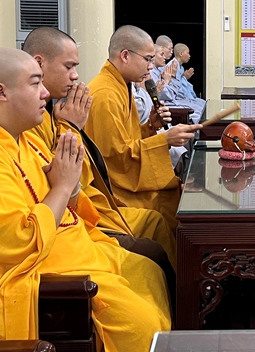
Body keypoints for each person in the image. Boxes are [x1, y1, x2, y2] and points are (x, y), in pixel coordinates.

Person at [0, 48, 169, 350]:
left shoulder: (25, 136)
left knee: (149, 272)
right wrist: (62, 187)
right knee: (141, 321)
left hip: (74, 247)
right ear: (1, 92)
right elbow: (17, 242)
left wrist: (70, 185)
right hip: (44, 269)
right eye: (35, 83)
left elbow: (70, 202)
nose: (45, 93)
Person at [22, 27, 178, 292]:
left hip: (89, 203)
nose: (76, 76)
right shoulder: (103, 94)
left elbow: (113, 148)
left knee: (166, 214)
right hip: (90, 208)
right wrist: (71, 128)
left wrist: (150, 128)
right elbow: (108, 159)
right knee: (157, 239)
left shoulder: (51, 113)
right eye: (69, 66)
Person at [85, 25, 201, 229]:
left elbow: (128, 138)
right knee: (167, 210)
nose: (151, 67)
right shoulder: (105, 94)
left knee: (180, 196)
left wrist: (150, 127)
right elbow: (116, 158)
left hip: (127, 179)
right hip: (117, 191)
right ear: (125, 56)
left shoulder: (121, 85)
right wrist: (165, 139)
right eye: (147, 59)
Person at [151, 44, 205, 122]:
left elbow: (173, 90)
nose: (165, 57)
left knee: (202, 105)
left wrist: (179, 79)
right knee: (197, 112)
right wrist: (168, 80)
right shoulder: (154, 72)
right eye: (162, 54)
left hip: (175, 99)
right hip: (169, 103)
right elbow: (167, 95)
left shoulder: (161, 69)